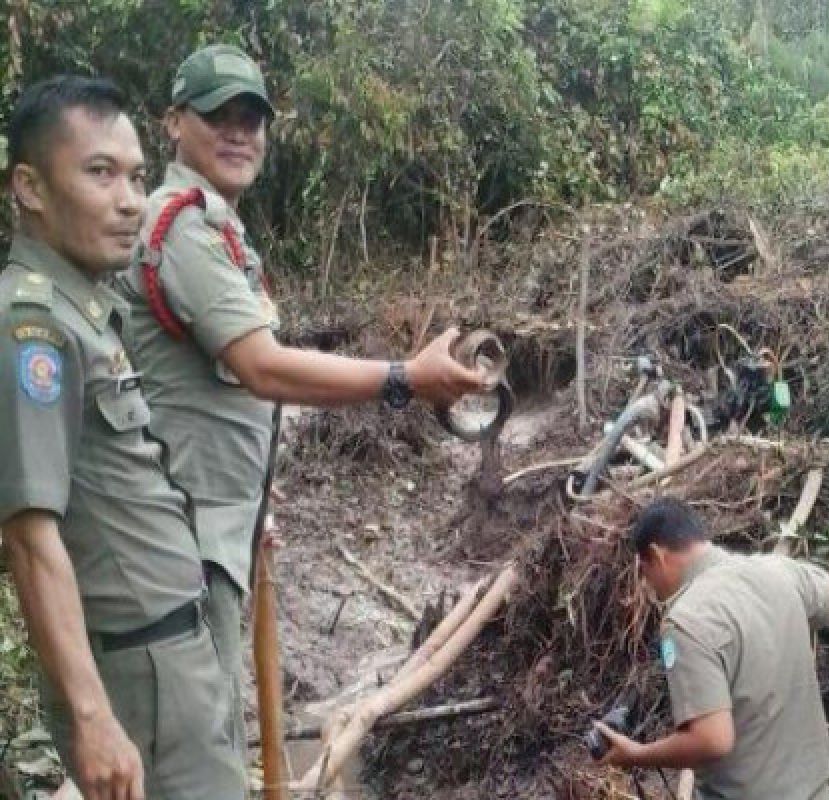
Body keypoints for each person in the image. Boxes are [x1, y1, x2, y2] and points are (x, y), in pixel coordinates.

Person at [111, 43, 486, 755]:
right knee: (192, 749)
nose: (238, 132)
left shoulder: (218, 228)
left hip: (213, 528)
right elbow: (263, 368)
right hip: (181, 539)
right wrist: (406, 378)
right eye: (218, 114)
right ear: (172, 123)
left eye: (251, 118)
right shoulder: (182, 225)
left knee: (205, 724)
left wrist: (250, 503)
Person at [0, 76, 243, 800]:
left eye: (137, 177)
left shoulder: (86, 313)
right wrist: (92, 717)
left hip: (173, 657)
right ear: (31, 188)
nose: (130, 200)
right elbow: (29, 536)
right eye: (99, 173)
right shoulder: (31, 330)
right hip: (141, 679)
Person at [596, 497, 829, 800]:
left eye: (645, 574)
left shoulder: (686, 620)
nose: (650, 586)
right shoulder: (775, 571)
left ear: (656, 556)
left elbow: (713, 740)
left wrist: (637, 754)